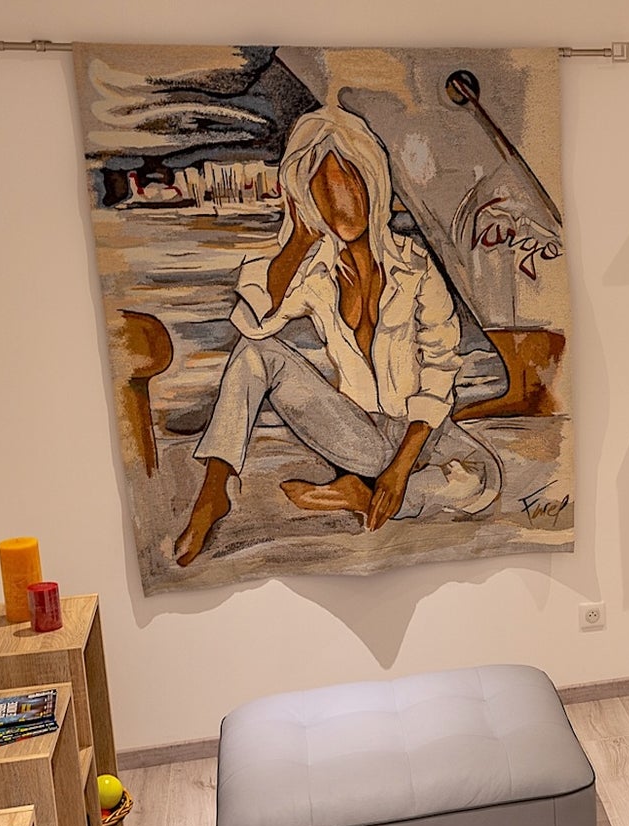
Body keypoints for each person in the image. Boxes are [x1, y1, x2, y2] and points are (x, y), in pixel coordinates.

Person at [174, 106, 501, 566]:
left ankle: (356, 495)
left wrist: (400, 469)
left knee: (485, 478)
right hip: (354, 434)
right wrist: (298, 242)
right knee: (255, 354)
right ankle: (213, 493)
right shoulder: (315, 270)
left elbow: (441, 363)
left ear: (371, 180)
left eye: (346, 179)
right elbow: (254, 323)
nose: (337, 198)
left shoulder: (415, 265)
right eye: (321, 187)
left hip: (416, 432)